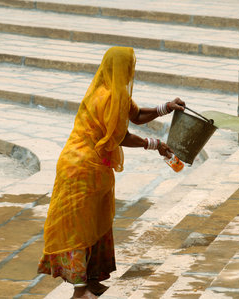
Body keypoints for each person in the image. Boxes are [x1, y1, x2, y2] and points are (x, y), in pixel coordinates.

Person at [37, 46, 185, 299]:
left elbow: (136, 115)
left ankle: (92, 280)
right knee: (79, 227)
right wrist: (155, 144)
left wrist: (166, 107)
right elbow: (119, 135)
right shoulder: (107, 96)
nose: (130, 72)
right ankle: (80, 290)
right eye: (129, 67)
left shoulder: (112, 90)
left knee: (97, 222)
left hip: (92, 165)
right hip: (81, 167)